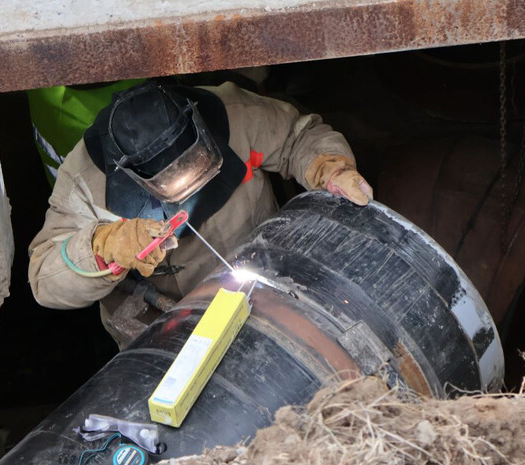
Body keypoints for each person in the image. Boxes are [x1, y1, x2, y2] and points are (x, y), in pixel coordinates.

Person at [28, 81, 373, 346]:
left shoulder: (233, 112)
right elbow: (44, 280)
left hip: (271, 286)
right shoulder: (86, 181)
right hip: (167, 331)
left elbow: (298, 137)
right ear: (130, 174)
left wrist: (329, 167)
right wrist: (104, 247)